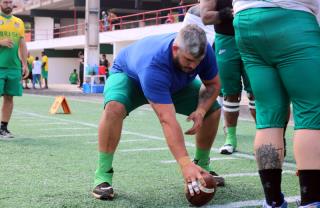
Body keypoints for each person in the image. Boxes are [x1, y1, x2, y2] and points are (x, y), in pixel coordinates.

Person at [92, 24, 225, 201]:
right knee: (114, 107)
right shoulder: (154, 64)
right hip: (129, 77)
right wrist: (184, 163)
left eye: (197, 62)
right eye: (188, 60)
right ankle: (103, 175)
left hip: (172, 82)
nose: (193, 66)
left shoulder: (203, 50)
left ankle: (201, 165)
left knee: (213, 110)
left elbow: (214, 84)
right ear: (175, 48)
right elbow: (166, 119)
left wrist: (201, 111)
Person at [232, 0, 320, 207]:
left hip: (246, 21)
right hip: (292, 19)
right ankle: (311, 201)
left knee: (268, 115)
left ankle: (272, 202)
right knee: (311, 111)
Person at [200, 0, 256, 155]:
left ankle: (263, 135)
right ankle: (230, 138)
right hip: (226, 40)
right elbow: (205, 17)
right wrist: (229, 13)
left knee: (256, 91)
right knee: (230, 93)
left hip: (251, 37)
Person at [0, 0, 28, 139]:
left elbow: (22, 44)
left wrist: (25, 64)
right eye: (5, 2)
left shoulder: (19, 22)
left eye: (10, 2)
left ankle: (3, 128)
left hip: (14, 67)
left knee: (9, 97)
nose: (8, 5)